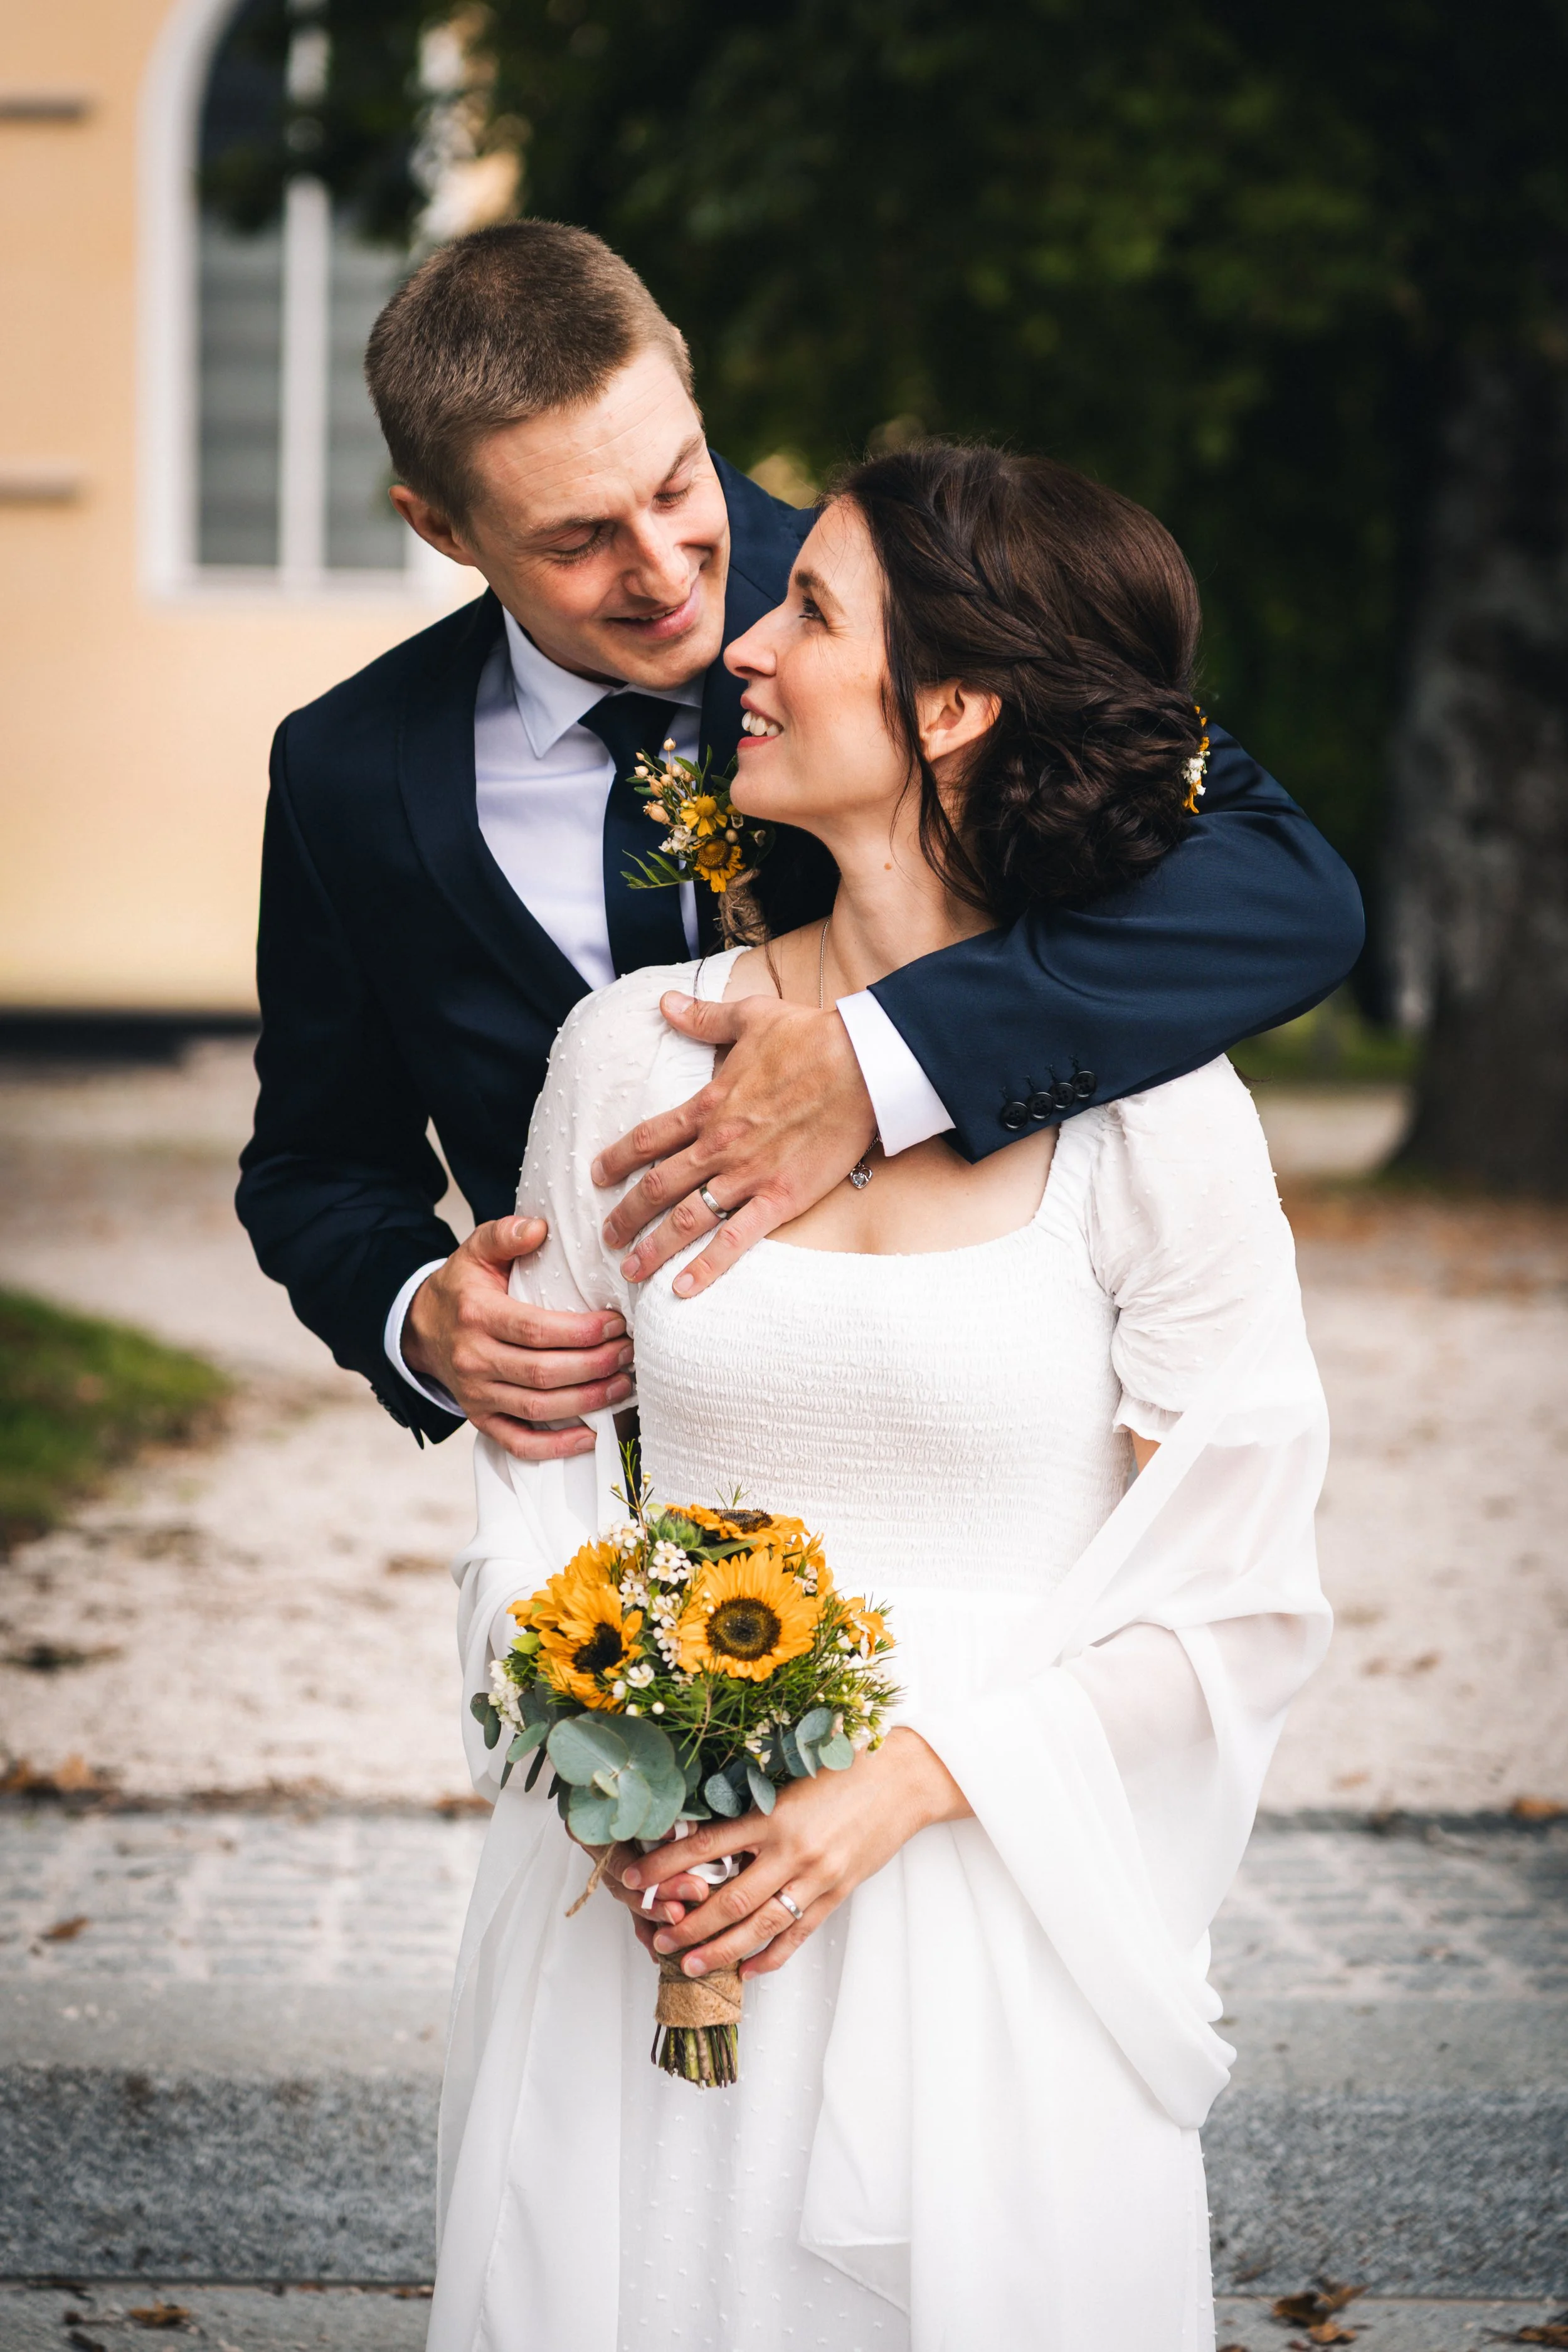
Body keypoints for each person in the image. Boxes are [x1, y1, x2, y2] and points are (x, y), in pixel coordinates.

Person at [432, 444, 1331, 2351]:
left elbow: (1234, 1589)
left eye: (809, 612)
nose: (741, 642)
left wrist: (904, 1788)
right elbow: (543, 1464)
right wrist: (586, 1737)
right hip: (646, 1900)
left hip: (991, 1909)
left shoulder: (1154, 1110)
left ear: (953, 703)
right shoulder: (626, 1053)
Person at [235, 221, 1362, 1460]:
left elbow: (1278, 890)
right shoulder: (347, 770)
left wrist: (884, 1059)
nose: (663, 571)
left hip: (959, 1414)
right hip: (605, 1490)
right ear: (442, 528)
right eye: (576, 539)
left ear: (687, 389)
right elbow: (316, 1160)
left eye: (674, 483)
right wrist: (416, 1318)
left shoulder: (913, 596)